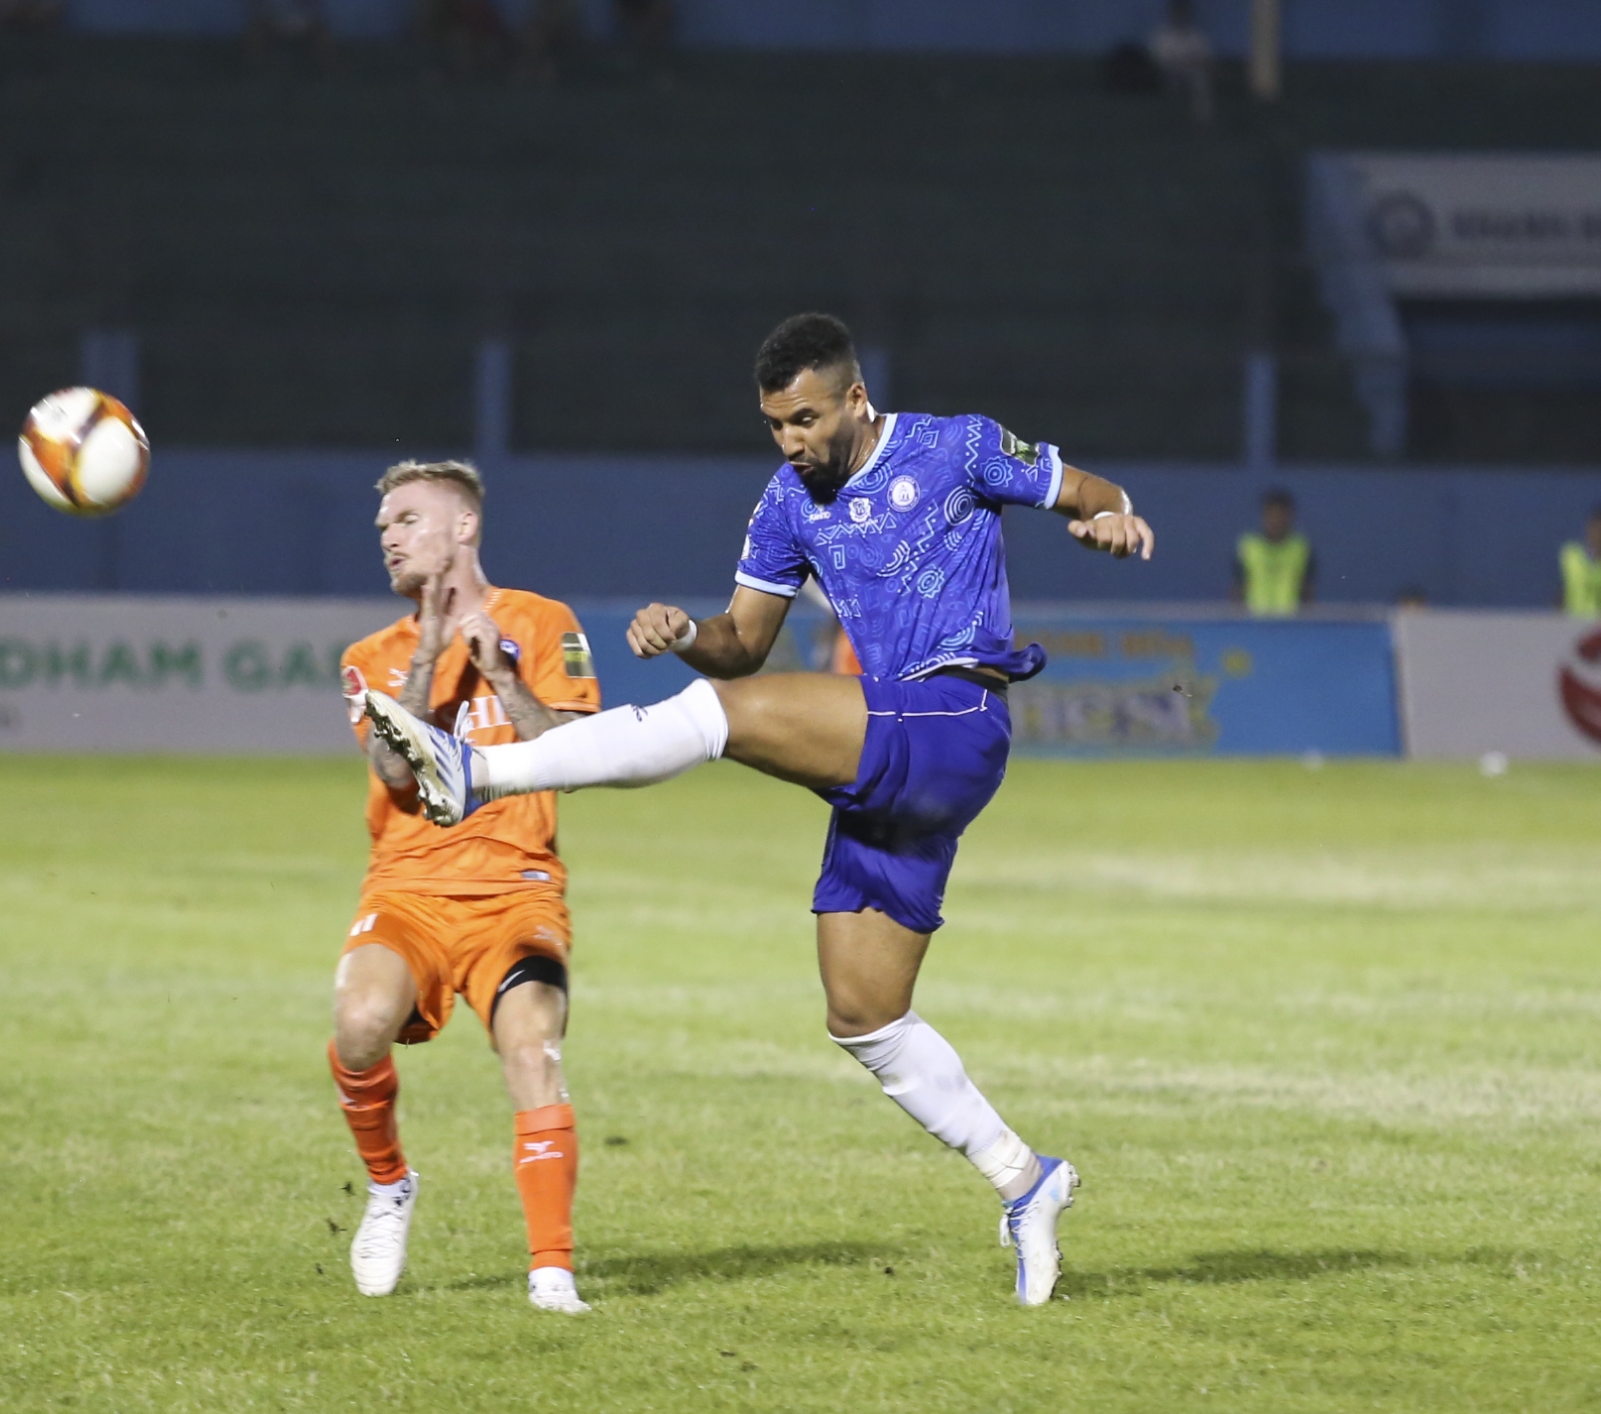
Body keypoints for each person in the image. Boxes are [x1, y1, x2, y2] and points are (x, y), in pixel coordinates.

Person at [361, 313, 1155, 1306]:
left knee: (720, 720)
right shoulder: (787, 501)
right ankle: (1025, 1180)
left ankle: (473, 773)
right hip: (886, 754)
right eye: (776, 424)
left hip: (954, 715)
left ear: (856, 399)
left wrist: (1113, 516)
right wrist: (686, 631)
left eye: (807, 420)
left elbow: (1090, 491)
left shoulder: (958, 446)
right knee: (865, 1014)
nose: (791, 442)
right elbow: (742, 642)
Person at [331, 460, 601, 1315]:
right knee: (360, 1022)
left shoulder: (545, 622)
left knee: (532, 1051)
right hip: (409, 886)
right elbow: (390, 768)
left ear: (463, 529)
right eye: (383, 528)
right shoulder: (370, 657)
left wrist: (506, 678)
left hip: (516, 890)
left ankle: (551, 1277)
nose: (389, 537)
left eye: (407, 520)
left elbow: (581, 753)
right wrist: (434, 654)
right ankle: (389, 1184)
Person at [1233, 488, 1313, 615]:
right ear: (1264, 515)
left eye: (1280, 515)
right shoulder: (1248, 546)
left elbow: (1308, 591)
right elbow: (1238, 589)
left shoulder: (1301, 548)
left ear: (1289, 516)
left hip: (1292, 625)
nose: (1275, 520)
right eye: (1271, 514)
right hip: (1253, 624)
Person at [1148, 0, 1213, 124]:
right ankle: (1169, 118)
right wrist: (1182, 63)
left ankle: (1202, 121)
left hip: (1191, 73)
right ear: (1172, 13)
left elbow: (1205, 59)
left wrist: (1192, 63)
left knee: (1200, 79)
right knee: (1172, 78)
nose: (1182, 15)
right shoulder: (1162, 35)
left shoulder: (1196, 36)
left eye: (1185, 12)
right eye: (1178, 11)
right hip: (1167, 73)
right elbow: (1159, 60)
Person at [1560, 506, 1601, 617]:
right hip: (1573, 624)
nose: (1598, 535)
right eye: (1595, 528)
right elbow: (1565, 590)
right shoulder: (1571, 555)